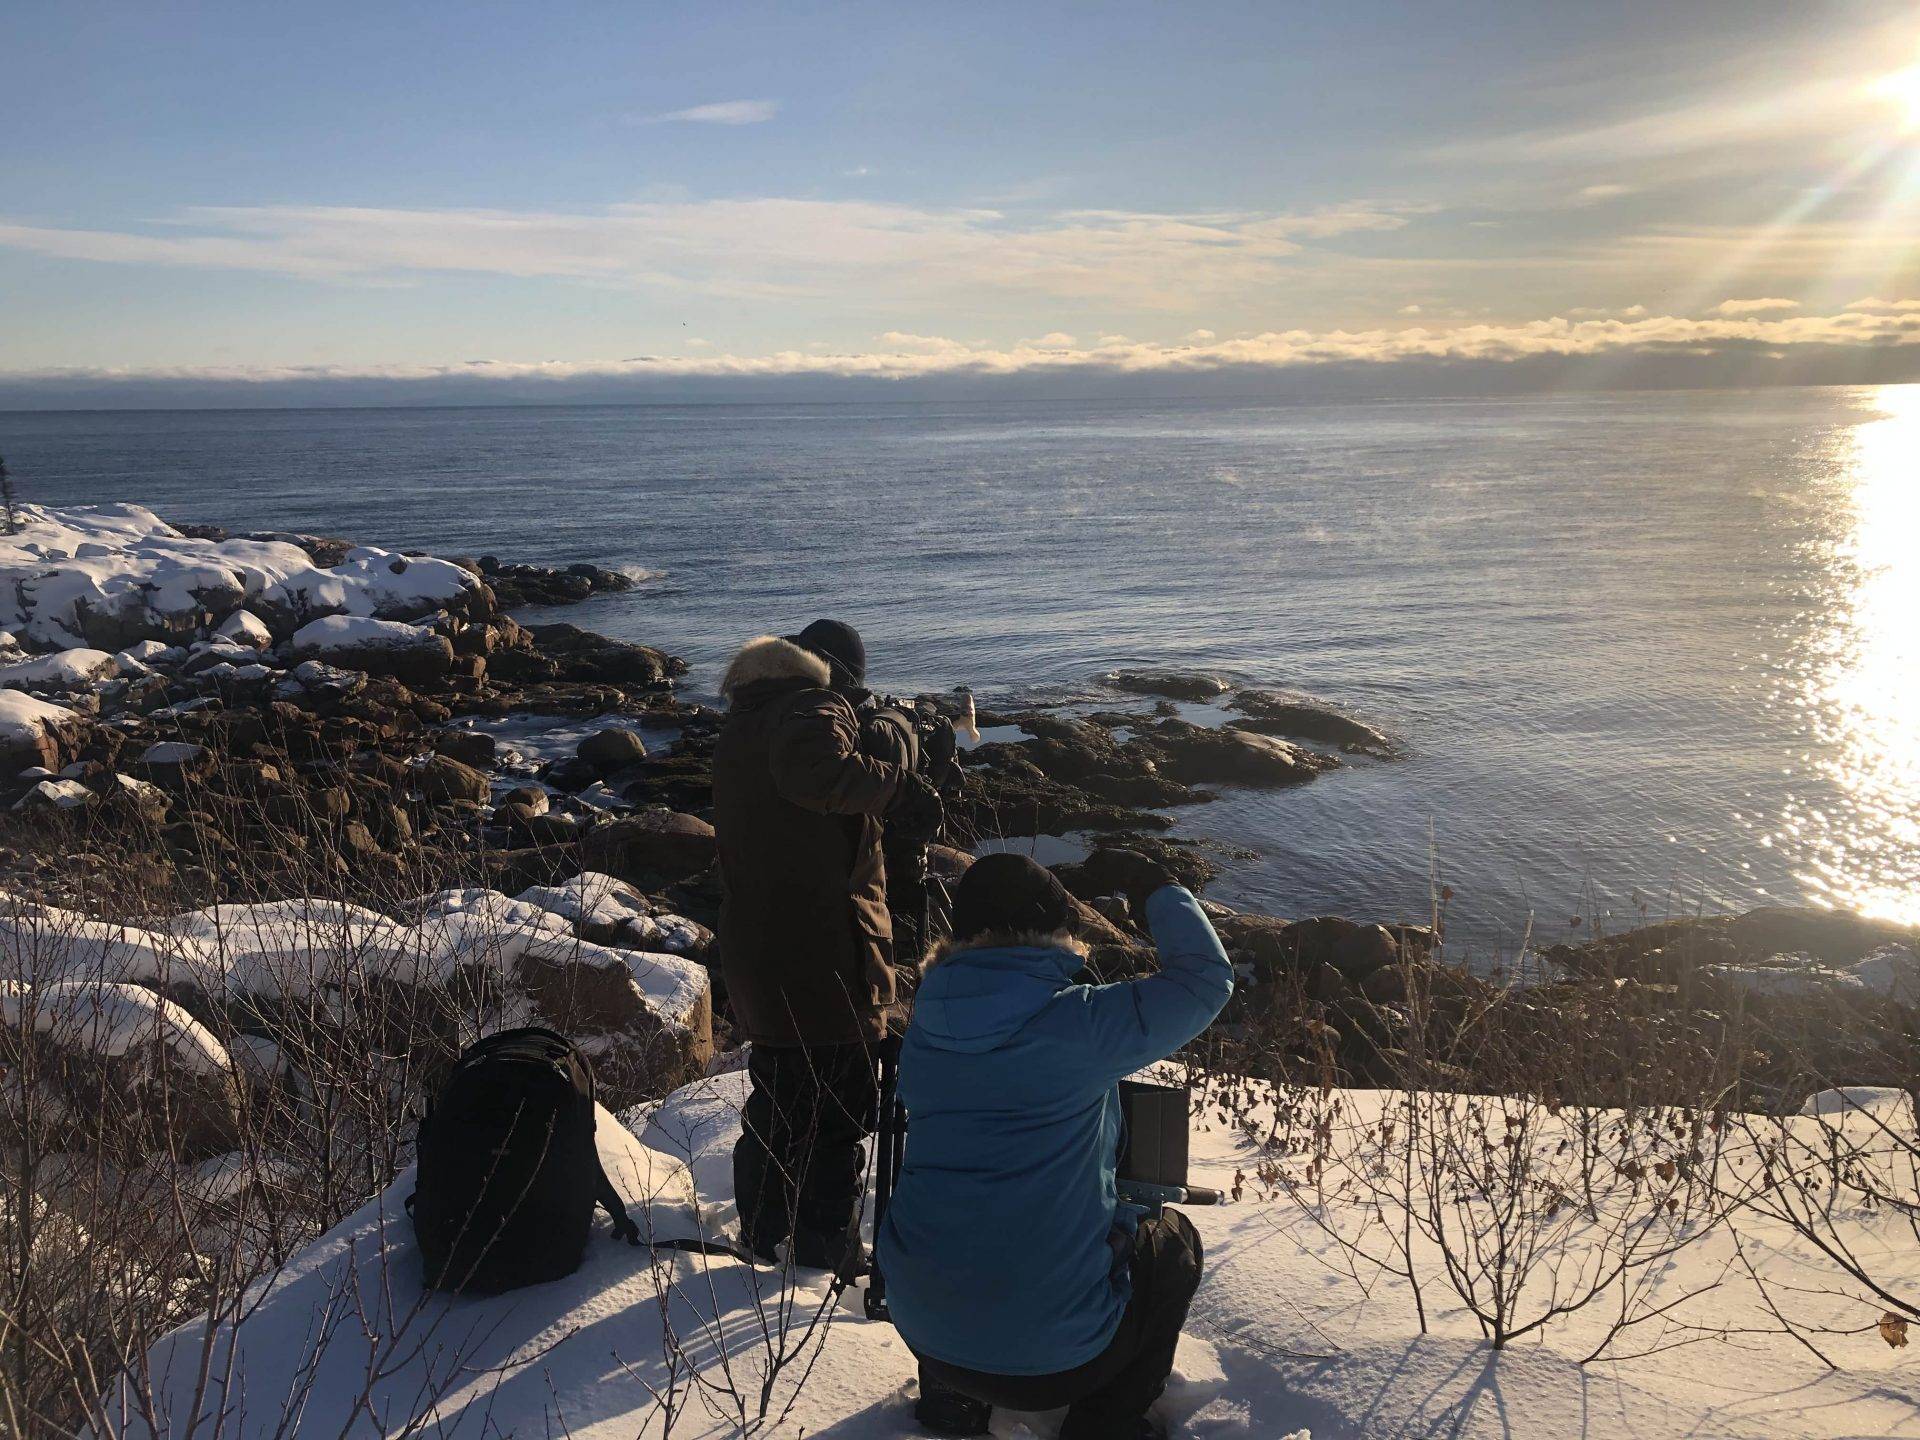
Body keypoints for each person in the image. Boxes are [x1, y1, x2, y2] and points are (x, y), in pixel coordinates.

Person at [876, 851, 1234, 1440]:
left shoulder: (925, 1026)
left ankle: (953, 1401)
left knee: (965, 1218)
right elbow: (1204, 979)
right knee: (1174, 1248)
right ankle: (1105, 1424)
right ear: (1052, 929)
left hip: (923, 1332)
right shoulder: (1081, 1024)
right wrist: (1158, 887)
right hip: (1055, 1364)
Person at [713, 619, 941, 1272]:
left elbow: (804, 778)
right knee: (837, 1117)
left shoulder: (748, 719)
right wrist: (898, 786)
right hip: (822, 960)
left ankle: (760, 1235)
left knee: (780, 1103)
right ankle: (824, 1248)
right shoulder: (811, 707)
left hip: (766, 954)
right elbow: (815, 769)